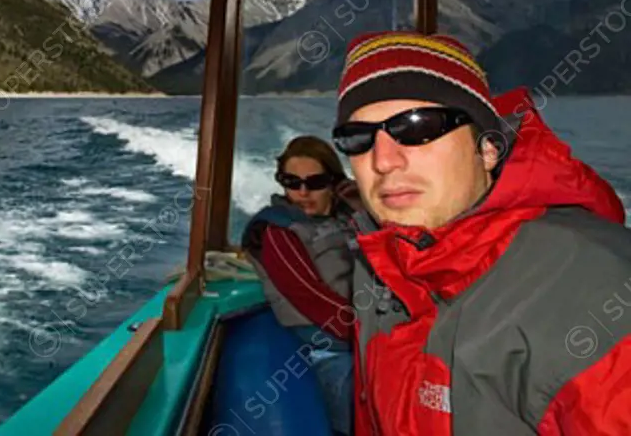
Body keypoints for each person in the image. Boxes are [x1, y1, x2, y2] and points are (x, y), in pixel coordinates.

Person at [331, 30, 631, 436]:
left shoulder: (599, 289)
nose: (383, 160)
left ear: (488, 148)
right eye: (358, 137)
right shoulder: (380, 263)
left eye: (418, 127)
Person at [240, 134, 362, 436]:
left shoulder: (348, 217)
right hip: (330, 344)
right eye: (292, 182)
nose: (303, 192)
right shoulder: (278, 230)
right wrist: (365, 333)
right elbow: (308, 295)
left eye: (316, 182)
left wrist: (360, 204)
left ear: (334, 182)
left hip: (364, 333)